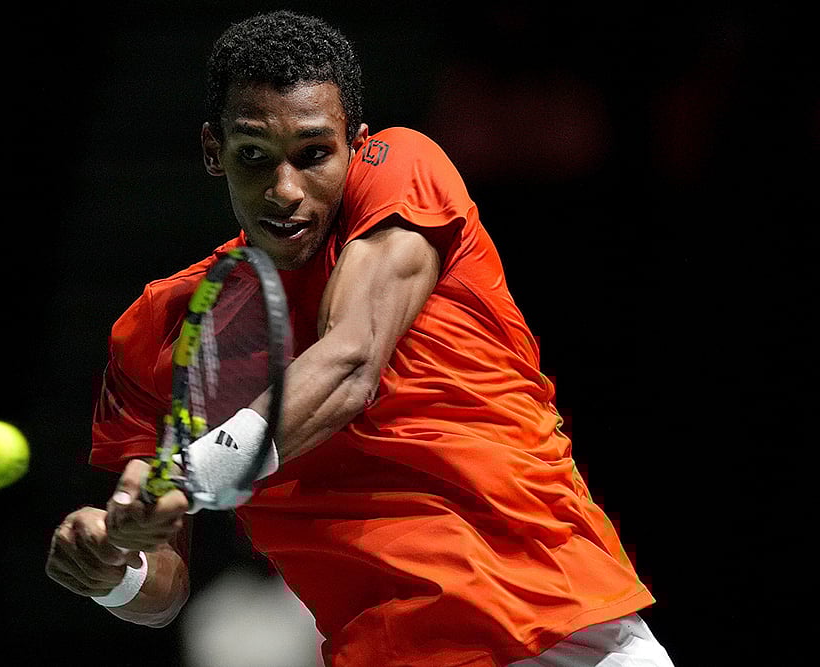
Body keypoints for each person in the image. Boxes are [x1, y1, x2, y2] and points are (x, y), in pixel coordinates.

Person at [46, 10, 674, 666]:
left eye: (314, 153)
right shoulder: (155, 331)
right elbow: (165, 586)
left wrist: (188, 472)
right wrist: (116, 569)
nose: (285, 190)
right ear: (214, 150)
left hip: (565, 633)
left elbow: (350, 362)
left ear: (356, 143)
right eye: (254, 154)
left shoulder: (405, 171)